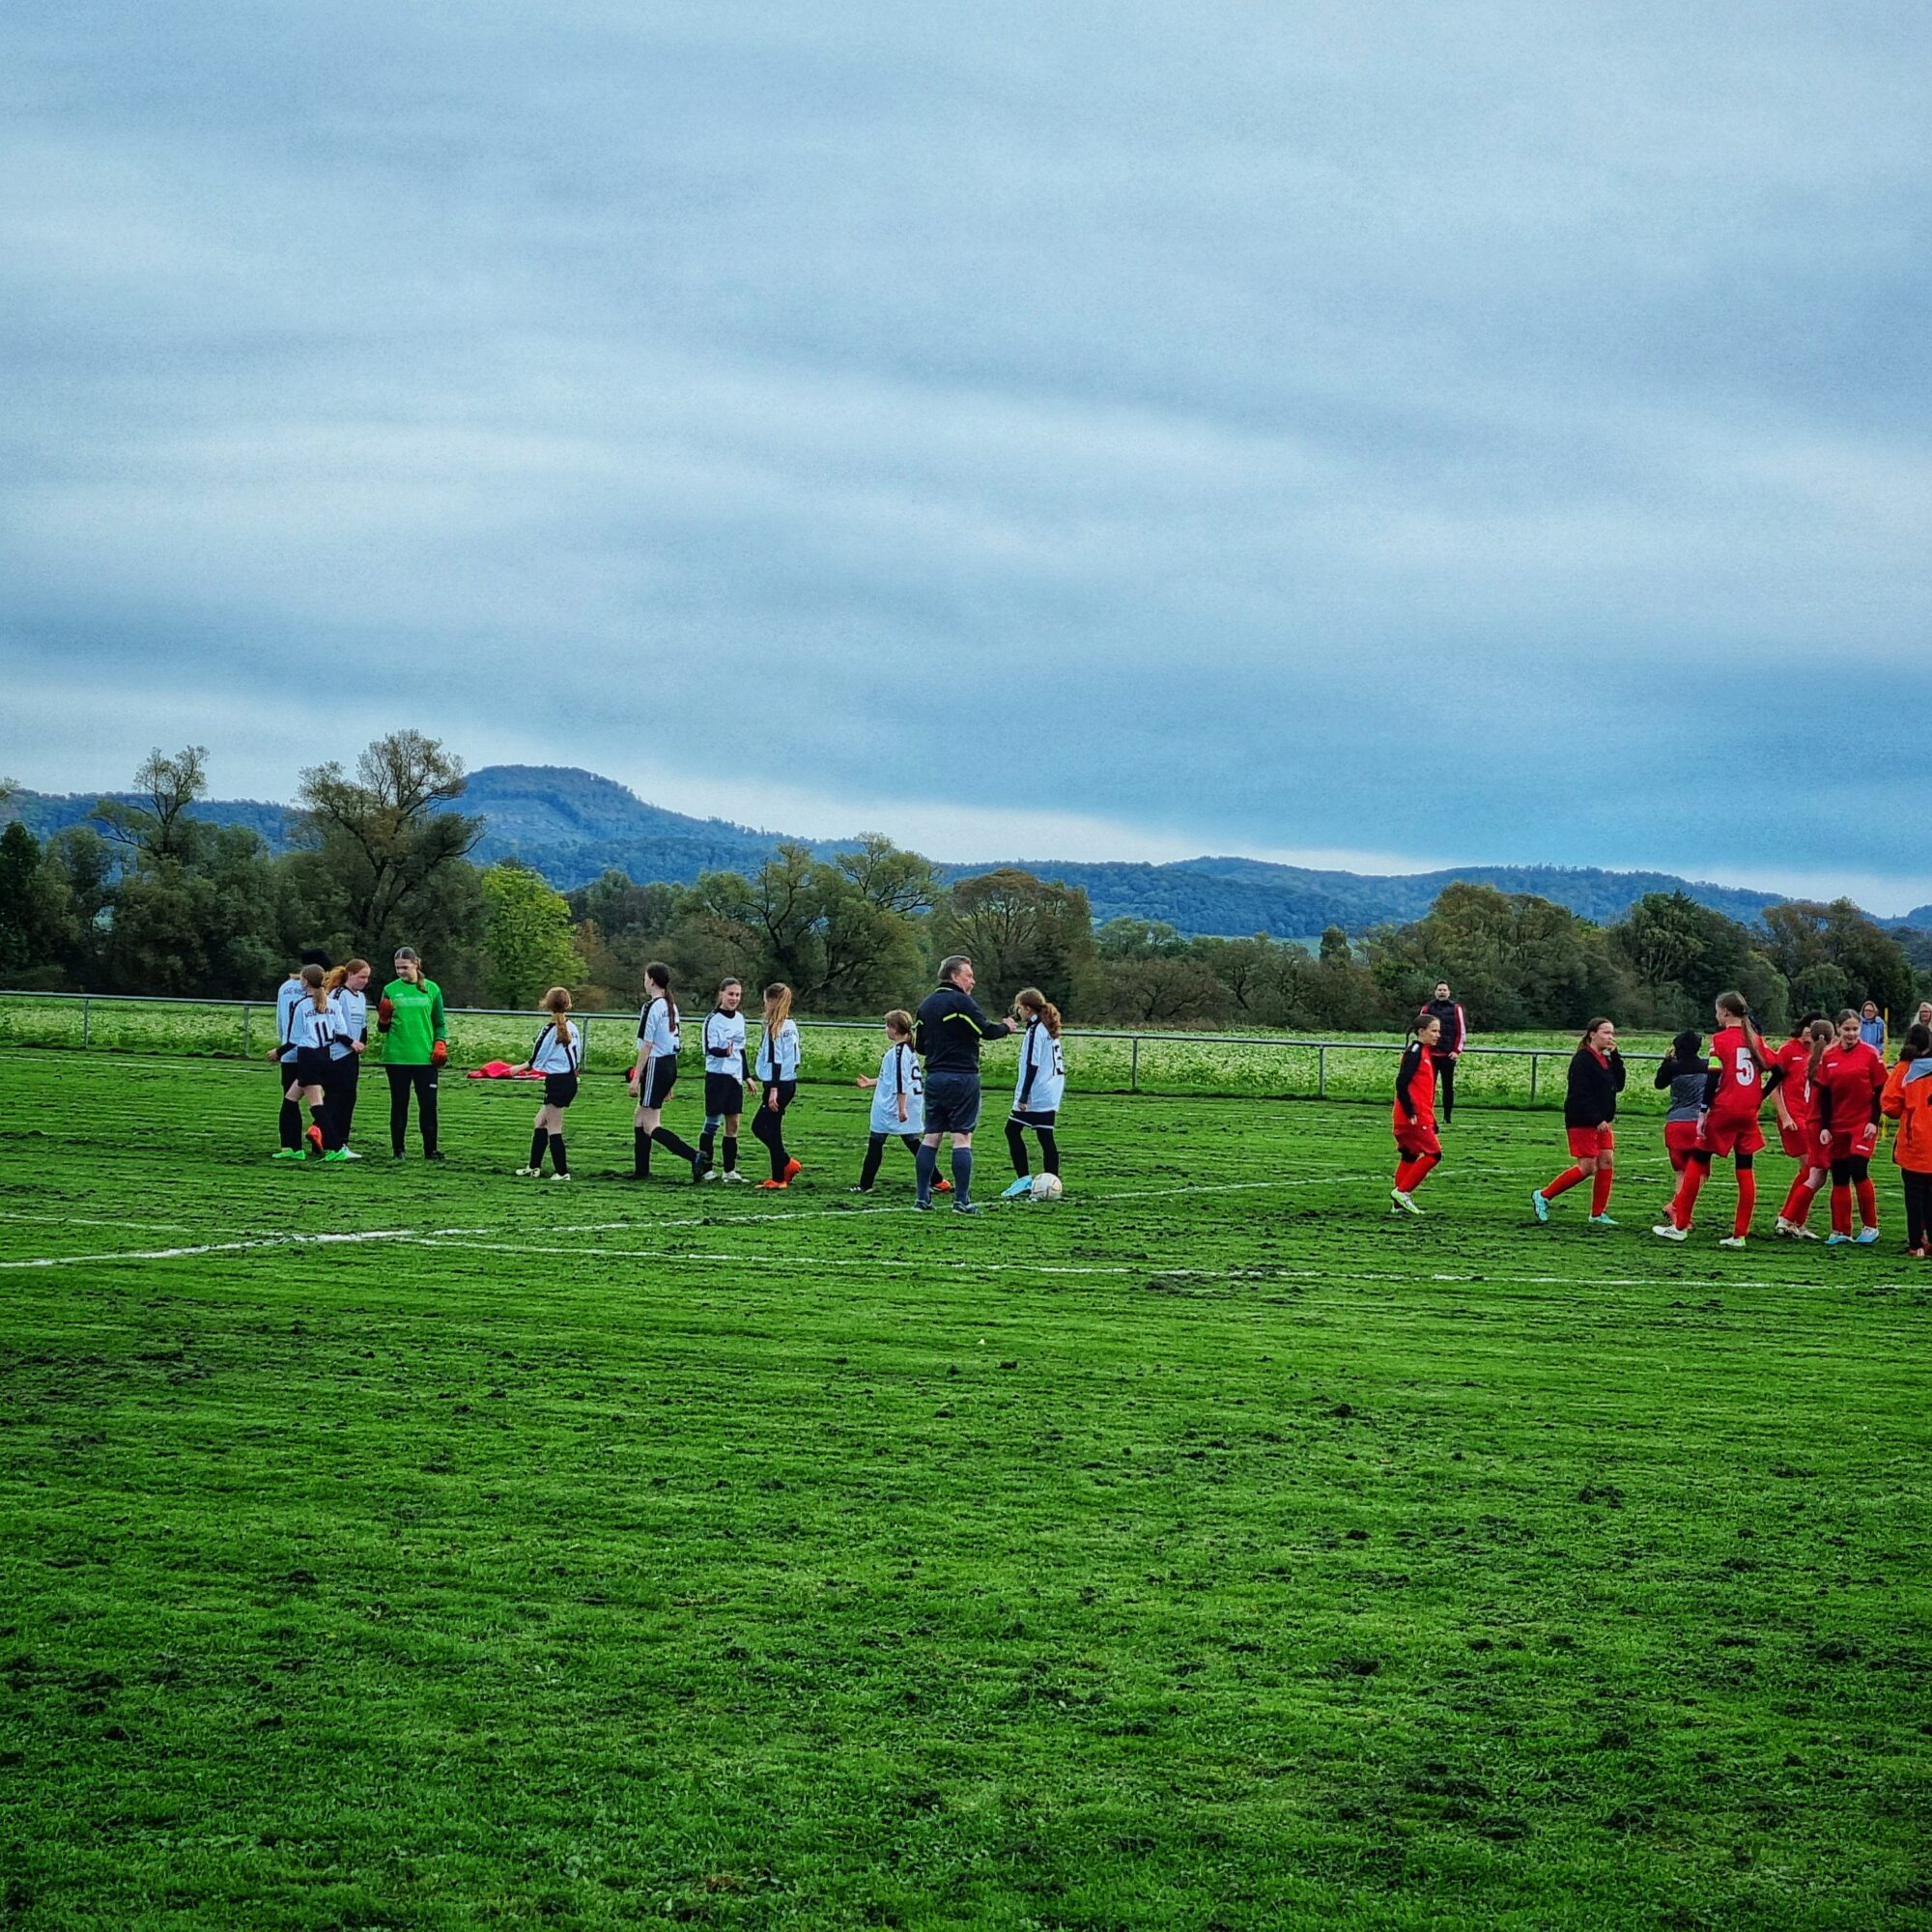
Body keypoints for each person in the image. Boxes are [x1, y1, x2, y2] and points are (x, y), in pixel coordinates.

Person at [1654, 992, 1777, 1247]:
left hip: (1725, 1109)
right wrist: (1760, 1095)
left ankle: (1679, 1227)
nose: (1716, 1015)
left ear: (1725, 1012)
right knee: (1745, 1170)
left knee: (1697, 1163)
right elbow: (1780, 1070)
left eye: (1717, 1011)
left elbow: (1713, 1077)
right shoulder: (1755, 1039)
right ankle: (1739, 1235)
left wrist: (1703, 1111)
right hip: (1748, 1111)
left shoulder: (1720, 1040)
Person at [913, 955, 1018, 1213]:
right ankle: (961, 1200)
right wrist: (1007, 1027)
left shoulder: (926, 1005)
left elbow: (920, 1046)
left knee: (931, 1136)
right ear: (954, 976)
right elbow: (986, 1030)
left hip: (935, 1078)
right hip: (962, 1076)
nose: (973, 981)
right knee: (962, 1137)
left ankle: (922, 1198)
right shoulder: (961, 1002)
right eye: (969, 975)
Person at [1531, 1018, 1625, 1226]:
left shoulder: (1605, 1059)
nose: (1610, 1037)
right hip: (1582, 1119)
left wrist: (1616, 1056)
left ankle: (1598, 1213)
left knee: (1606, 1161)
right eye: (1606, 1032)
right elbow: (1579, 1094)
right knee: (1587, 1166)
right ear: (1592, 1034)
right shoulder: (1583, 1059)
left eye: (1612, 1033)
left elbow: (1619, 1084)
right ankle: (1544, 1195)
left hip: (1601, 1121)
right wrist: (1596, 1117)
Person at [1815, 1007, 1887, 1244]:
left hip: (1862, 1123)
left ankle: (1870, 1226)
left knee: (1858, 1168)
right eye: (1847, 1029)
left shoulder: (1870, 1054)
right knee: (1840, 1175)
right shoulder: (1829, 1056)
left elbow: (1879, 1091)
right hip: (1838, 1124)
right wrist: (1825, 1126)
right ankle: (1841, 1230)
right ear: (1838, 1029)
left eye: (1855, 1029)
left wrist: (1873, 1121)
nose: (1851, 1033)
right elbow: (1824, 1094)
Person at [628, 963, 703, 1182]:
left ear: (651, 980)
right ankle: (641, 1171)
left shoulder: (652, 1006)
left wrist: (636, 1078)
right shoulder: (671, 1005)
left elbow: (647, 1045)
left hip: (656, 1065)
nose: (644, 981)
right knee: (639, 1118)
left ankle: (694, 1156)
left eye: (645, 978)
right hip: (669, 1064)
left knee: (651, 1124)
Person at [378, 947, 447, 1161]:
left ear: (416, 964)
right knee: (399, 1103)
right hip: (397, 1057)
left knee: (428, 1104)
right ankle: (398, 1149)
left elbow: (439, 1022)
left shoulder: (432, 989)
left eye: (404, 967)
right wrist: (383, 1019)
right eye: (397, 968)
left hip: (425, 1058)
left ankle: (431, 1149)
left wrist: (440, 1044)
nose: (400, 971)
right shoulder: (390, 989)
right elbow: (382, 1028)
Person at [853, 1009, 934, 1194]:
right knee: (912, 1142)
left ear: (895, 1029)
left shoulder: (898, 1052)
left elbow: (900, 1081)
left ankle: (865, 1185)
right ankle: (937, 1179)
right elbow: (892, 1077)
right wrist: (871, 1082)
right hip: (909, 1103)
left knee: (876, 1142)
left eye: (887, 1026)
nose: (885, 1029)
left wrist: (901, 1108)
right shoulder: (907, 1050)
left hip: (892, 1106)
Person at [1001, 988, 1066, 1199]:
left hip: (1036, 1093)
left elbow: (1032, 1063)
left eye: (1019, 1007)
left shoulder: (1036, 1029)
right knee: (1045, 1136)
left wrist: (1023, 1096)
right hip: (1050, 1091)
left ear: (1027, 1008)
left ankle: (1024, 1180)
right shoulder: (1048, 1025)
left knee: (1012, 1131)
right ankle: (1053, 1181)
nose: (1018, 1011)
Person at [1772, 1015, 1832, 1238]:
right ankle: (1788, 1218)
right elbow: (1774, 1087)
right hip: (1796, 1117)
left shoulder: (1823, 1054)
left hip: (1814, 1118)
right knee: (1812, 1168)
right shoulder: (1788, 1050)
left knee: (1810, 1171)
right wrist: (1785, 1116)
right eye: (1809, 1027)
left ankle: (1795, 1221)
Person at [513, 986, 582, 1181]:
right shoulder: (573, 1027)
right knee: (540, 1122)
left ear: (547, 1004)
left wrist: (517, 1068)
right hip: (569, 1080)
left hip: (558, 1081)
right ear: (568, 1004)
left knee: (554, 1127)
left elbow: (536, 1059)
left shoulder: (549, 1030)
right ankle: (533, 1167)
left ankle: (562, 1171)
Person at [272, 950, 331, 1154]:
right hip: (314, 1052)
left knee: (290, 1101)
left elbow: (280, 1020)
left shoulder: (286, 988)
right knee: (319, 1099)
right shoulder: (324, 991)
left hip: (290, 1052)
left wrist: (281, 1048)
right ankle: (324, 1137)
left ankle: (291, 1145)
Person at [1882, 1023, 1932, 1257]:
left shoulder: (1905, 1069)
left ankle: (1916, 1244)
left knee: (1914, 1197)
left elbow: (1889, 1105)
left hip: (1914, 1144)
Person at [696, 976, 751, 1183]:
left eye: (737, 995)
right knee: (712, 1123)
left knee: (734, 1124)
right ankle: (706, 1168)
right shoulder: (713, 1019)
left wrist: (747, 1076)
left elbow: (741, 1050)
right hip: (717, 1077)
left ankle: (730, 1171)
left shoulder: (740, 1018)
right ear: (721, 994)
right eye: (730, 994)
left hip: (734, 1079)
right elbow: (710, 1049)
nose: (734, 998)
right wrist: (724, 1052)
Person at [1390, 1011, 1443, 1215]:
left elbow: (1421, 1090)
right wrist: (1411, 1111)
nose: (1437, 1035)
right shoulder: (1415, 1051)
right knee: (1433, 1155)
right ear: (1421, 1031)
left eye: (1439, 1031)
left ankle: (1397, 1205)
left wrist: (1432, 1118)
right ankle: (1403, 1192)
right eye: (1434, 1030)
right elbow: (1402, 1082)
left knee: (1410, 1155)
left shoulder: (1424, 1052)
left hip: (1418, 1115)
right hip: (1412, 1117)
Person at [751, 982, 802, 1188]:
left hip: (777, 1084)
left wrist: (773, 1090)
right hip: (789, 1082)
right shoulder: (791, 1025)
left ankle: (785, 1165)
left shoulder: (775, 1026)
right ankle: (779, 1175)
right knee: (772, 1128)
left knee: (761, 1127)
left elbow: (775, 1060)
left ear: (772, 1001)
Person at [321, 959, 371, 1160]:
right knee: (336, 1097)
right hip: (337, 1053)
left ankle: (339, 1141)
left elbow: (363, 1025)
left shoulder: (361, 997)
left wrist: (361, 1043)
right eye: (362, 976)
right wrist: (350, 1042)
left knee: (349, 1098)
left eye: (367, 977)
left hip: (352, 1055)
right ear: (350, 974)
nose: (365, 981)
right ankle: (331, 1139)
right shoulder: (338, 995)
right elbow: (331, 1025)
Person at [1653, 1029, 1706, 1191]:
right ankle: (1678, 1207)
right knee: (1700, 1172)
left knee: (1681, 1171)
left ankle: (1678, 1209)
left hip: (1675, 1122)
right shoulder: (1706, 1066)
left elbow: (1659, 1084)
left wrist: (1666, 1063)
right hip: (1698, 1122)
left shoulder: (1673, 1068)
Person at [1422, 982, 1467, 1124]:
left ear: (1449, 992)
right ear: (1435, 992)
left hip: (1448, 1055)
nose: (1442, 992)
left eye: (1444, 990)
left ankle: (1447, 1118)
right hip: (1430, 1056)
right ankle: (1428, 1116)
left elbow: (1461, 1031)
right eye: (1439, 990)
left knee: (1448, 1087)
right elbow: (1421, 1031)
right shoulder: (1427, 1008)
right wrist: (1424, 1051)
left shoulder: (1456, 1008)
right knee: (1428, 1088)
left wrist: (1456, 1051)